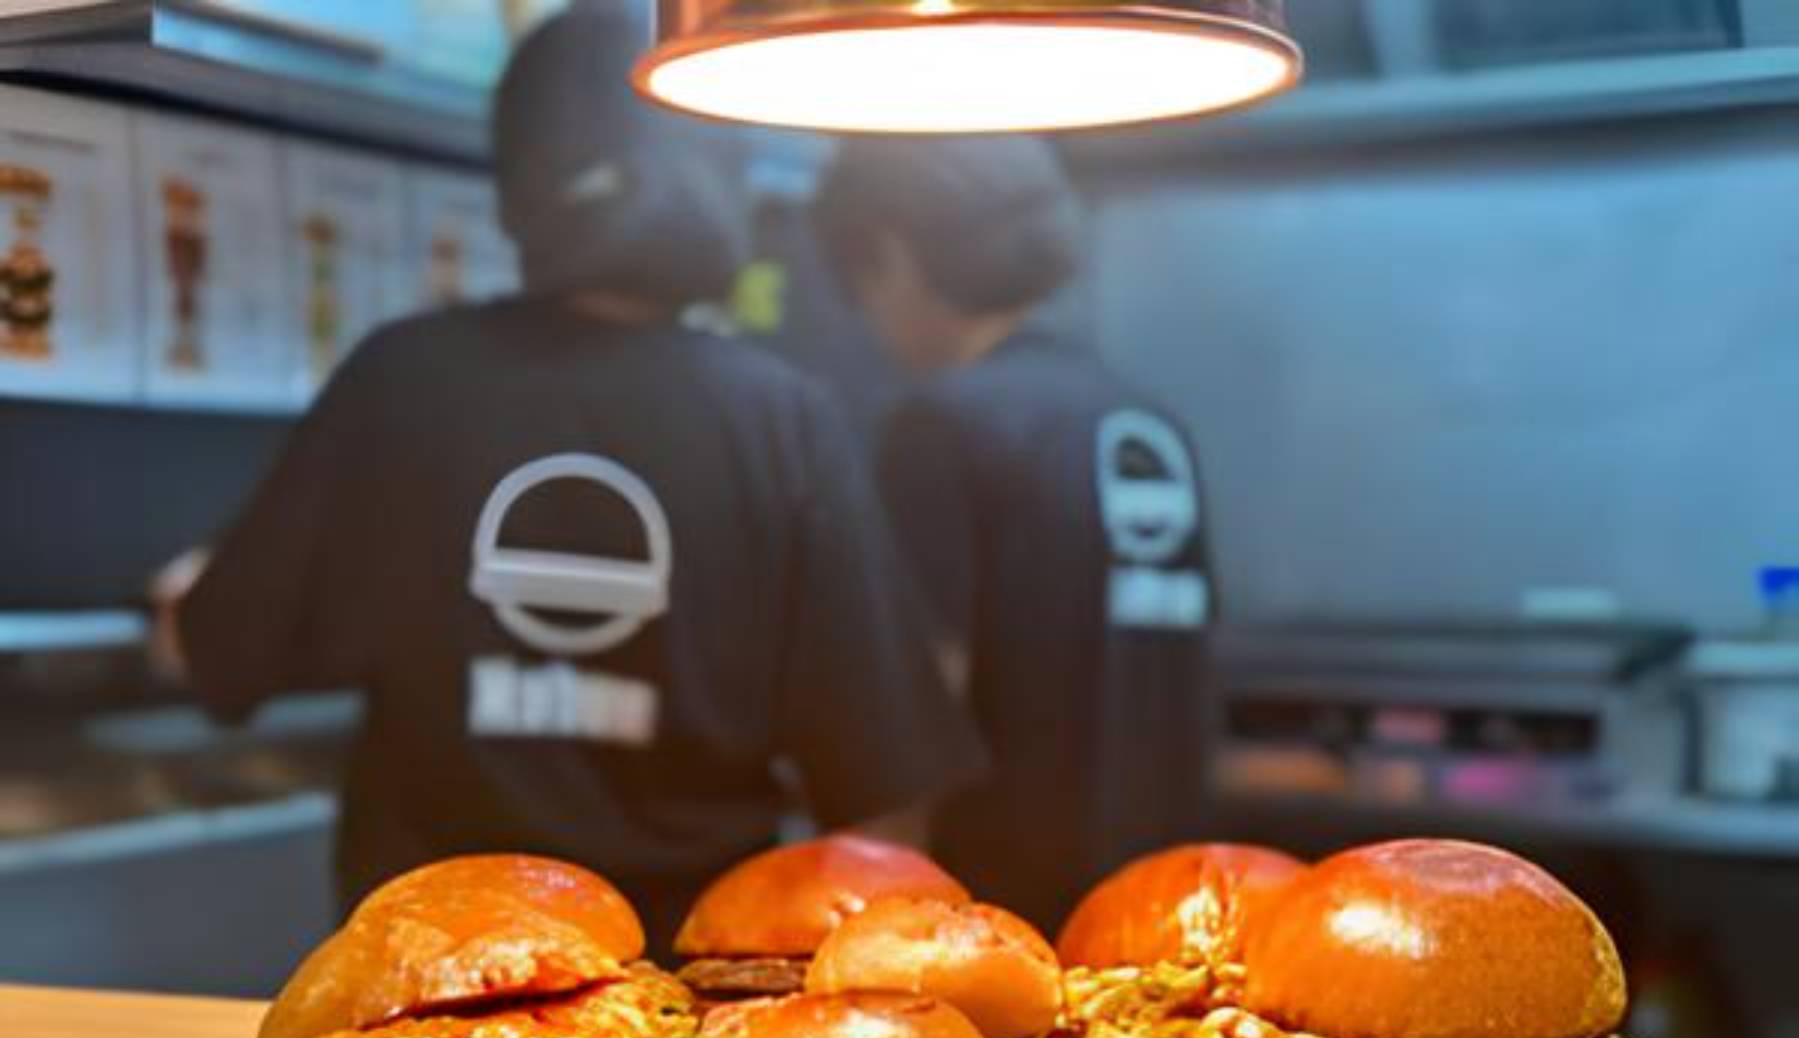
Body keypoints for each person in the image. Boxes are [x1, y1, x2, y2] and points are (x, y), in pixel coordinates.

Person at [154, 5, 982, 954]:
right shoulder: (781, 418)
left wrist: (182, 598)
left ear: (520, 181)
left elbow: (212, 652)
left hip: (429, 989)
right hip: (681, 1005)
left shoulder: (403, 379)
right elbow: (885, 794)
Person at [813, 136, 1217, 929]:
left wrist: (871, 909)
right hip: (1158, 911)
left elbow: (918, 704)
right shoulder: (1146, 422)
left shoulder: (941, 423)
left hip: (1001, 916)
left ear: (891, 254)